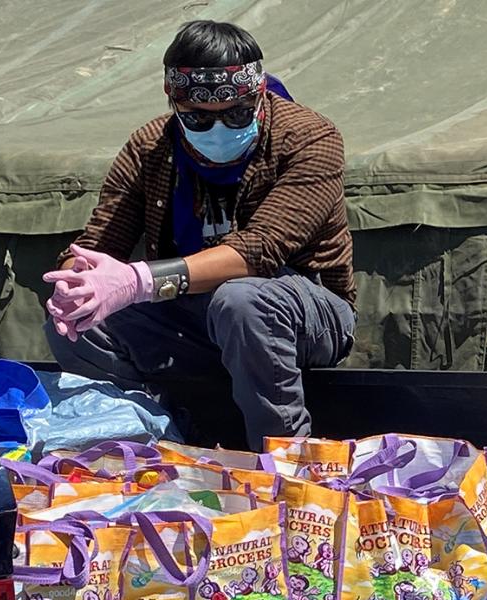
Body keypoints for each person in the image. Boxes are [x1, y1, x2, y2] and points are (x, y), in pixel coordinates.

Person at [42, 20, 355, 448]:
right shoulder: (149, 146)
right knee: (79, 316)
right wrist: (77, 281)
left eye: (236, 114)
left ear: (258, 94)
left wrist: (138, 281)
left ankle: (286, 462)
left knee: (242, 299)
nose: (219, 129)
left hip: (304, 310)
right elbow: (98, 241)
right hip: (191, 315)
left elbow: (261, 250)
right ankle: (150, 438)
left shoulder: (309, 138)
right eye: (198, 119)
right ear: (175, 104)